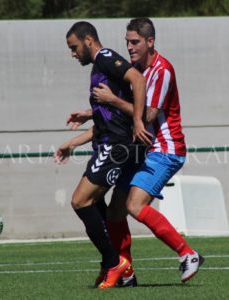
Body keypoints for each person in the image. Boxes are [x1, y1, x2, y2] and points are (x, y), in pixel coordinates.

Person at [66, 17, 205, 284]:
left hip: (165, 149)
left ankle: (188, 253)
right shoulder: (136, 68)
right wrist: (90, 112)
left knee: (133, 205)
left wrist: (113, 100)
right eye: (127, 42)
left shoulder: (161, 71)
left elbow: (148, 116)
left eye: (135, 42)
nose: (129, 47)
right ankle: (126, 272)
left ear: (150, 41)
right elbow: (123, 114)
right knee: (116, 210)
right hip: (142, 149)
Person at [55, 21, 151, 289]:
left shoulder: (106, 57)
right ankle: (123, 270)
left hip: (116, 146)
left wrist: (139, 120)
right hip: (106, 144)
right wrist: (79, 130)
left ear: (88, 40)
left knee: (80, 201)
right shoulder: (99, 68)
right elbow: (109, 113)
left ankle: (113, 263)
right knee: (96, 205)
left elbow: (138, 79)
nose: (73, 54)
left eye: (74, 47)